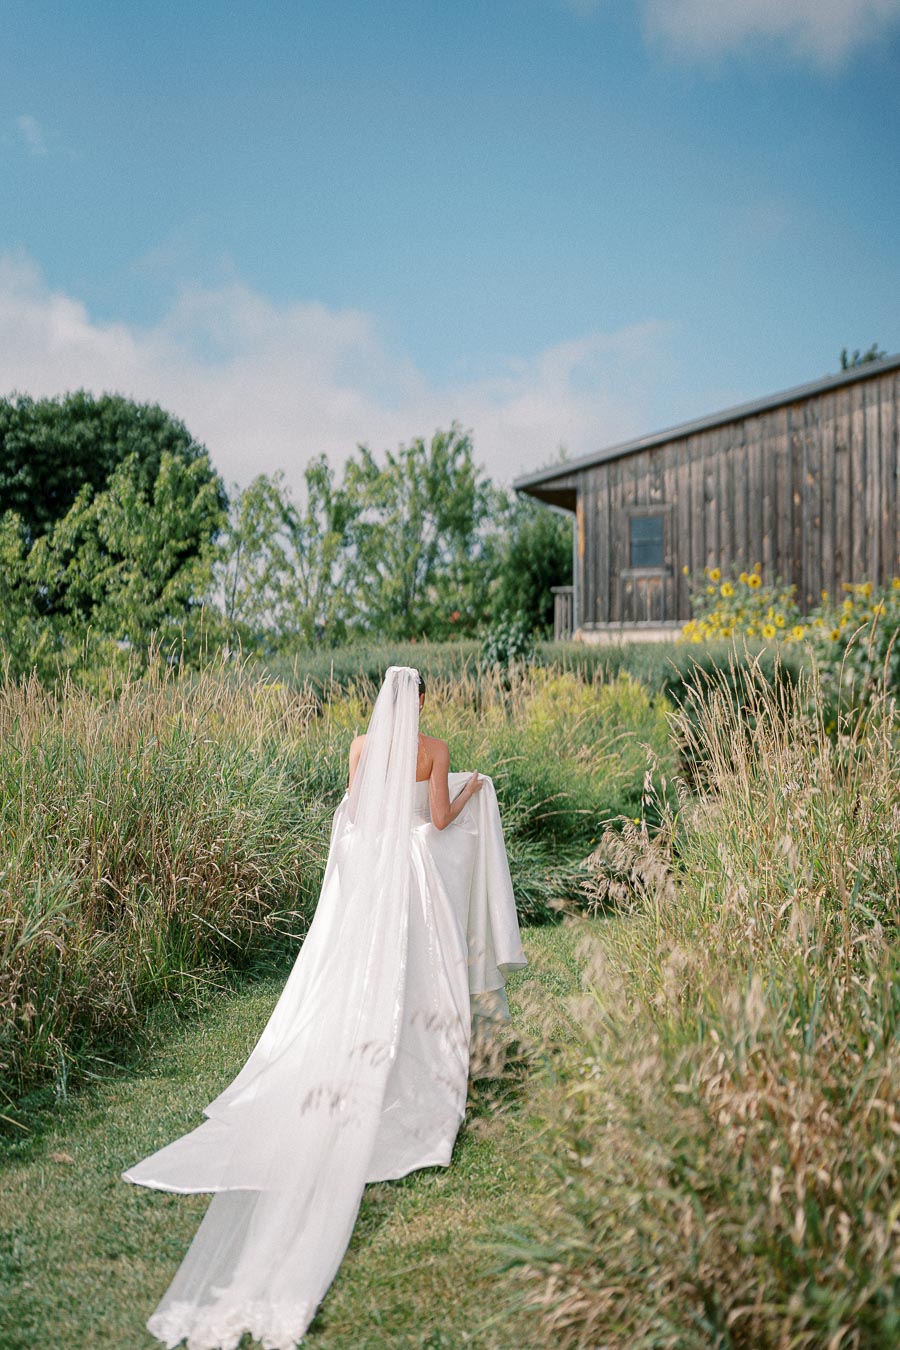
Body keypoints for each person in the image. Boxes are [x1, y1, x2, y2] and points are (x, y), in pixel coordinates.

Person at [122, 665, 526, 1350]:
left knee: (352, 973)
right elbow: (435, 819)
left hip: (369, 873)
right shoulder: (437, 751)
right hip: (408, 876)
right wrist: (474, 789)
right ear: (421, 699)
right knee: (416, 973)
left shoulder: (359, 747)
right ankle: (416, 1059)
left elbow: (354, 814)